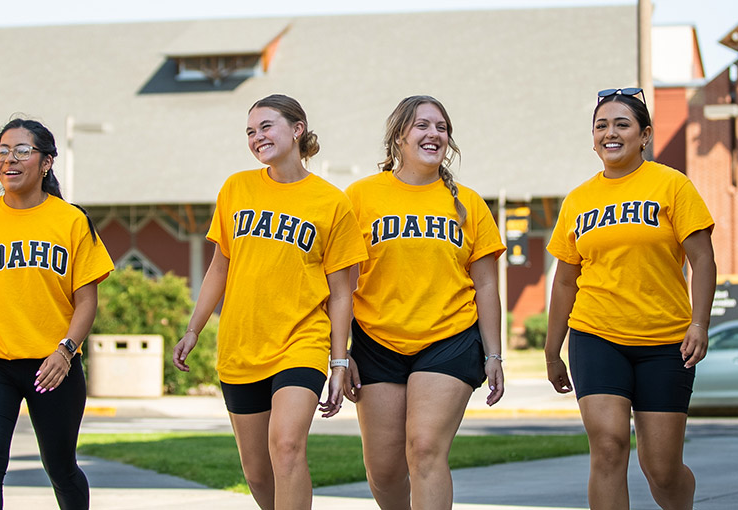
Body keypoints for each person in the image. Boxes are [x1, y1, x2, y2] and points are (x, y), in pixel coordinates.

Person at [173, 94, 367, 510]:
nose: (257, 136)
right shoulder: (236, 188)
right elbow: (219, 269)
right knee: (257, 472)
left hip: (302, 341)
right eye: (250, 131)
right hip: (242, 344)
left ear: (297, 129)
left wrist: (338, 360)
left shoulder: (332, 202)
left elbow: (340, 292)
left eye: (266, 126)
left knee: (287, 446)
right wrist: (194, 328)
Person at [544, 88, 716, 510]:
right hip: (596, 335)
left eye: (622, 124)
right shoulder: (579, 200)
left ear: (645, 135)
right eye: (601, 125)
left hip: (664, 341)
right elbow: (565, 282)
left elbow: (702, 259)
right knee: (608, 446)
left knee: (661, 468)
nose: (610, 133)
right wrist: (552, 350)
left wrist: (700, 323)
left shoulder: (672, 185)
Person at [343, 95, 506, 510]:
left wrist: (494, 355)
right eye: (422, 125)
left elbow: (486, 286)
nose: (434, 133)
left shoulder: (468, 204)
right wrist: (340, 355)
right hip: (376, 342)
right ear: (399, 136)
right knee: (384, 470)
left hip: (449, 340)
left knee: (425, 447)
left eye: (442, 127)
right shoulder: (360, 197)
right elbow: (341, 283)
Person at [0, 118, 113, 510]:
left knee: (60, 466)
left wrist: (66, 350)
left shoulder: (71, 221)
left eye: (22, 150)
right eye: (2, 151)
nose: (9, 159)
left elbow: (86, 301)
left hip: (53, 364)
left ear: (46, 162)